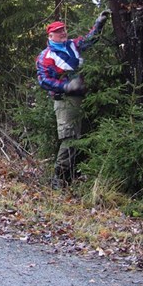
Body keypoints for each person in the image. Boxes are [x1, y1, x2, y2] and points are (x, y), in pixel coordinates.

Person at [36, 10, 110, 188]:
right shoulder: (46, 56)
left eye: (64, 30)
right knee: (69, 138)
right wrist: (66, 87)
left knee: (83, 137)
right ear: (51, 35)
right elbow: (44, 80)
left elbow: (90, 39)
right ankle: (59, 178)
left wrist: (99, 23)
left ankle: (73, 176)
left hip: (83, 97)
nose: (63, 33)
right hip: (64, 101)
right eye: (59, 31)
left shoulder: (73, 45)